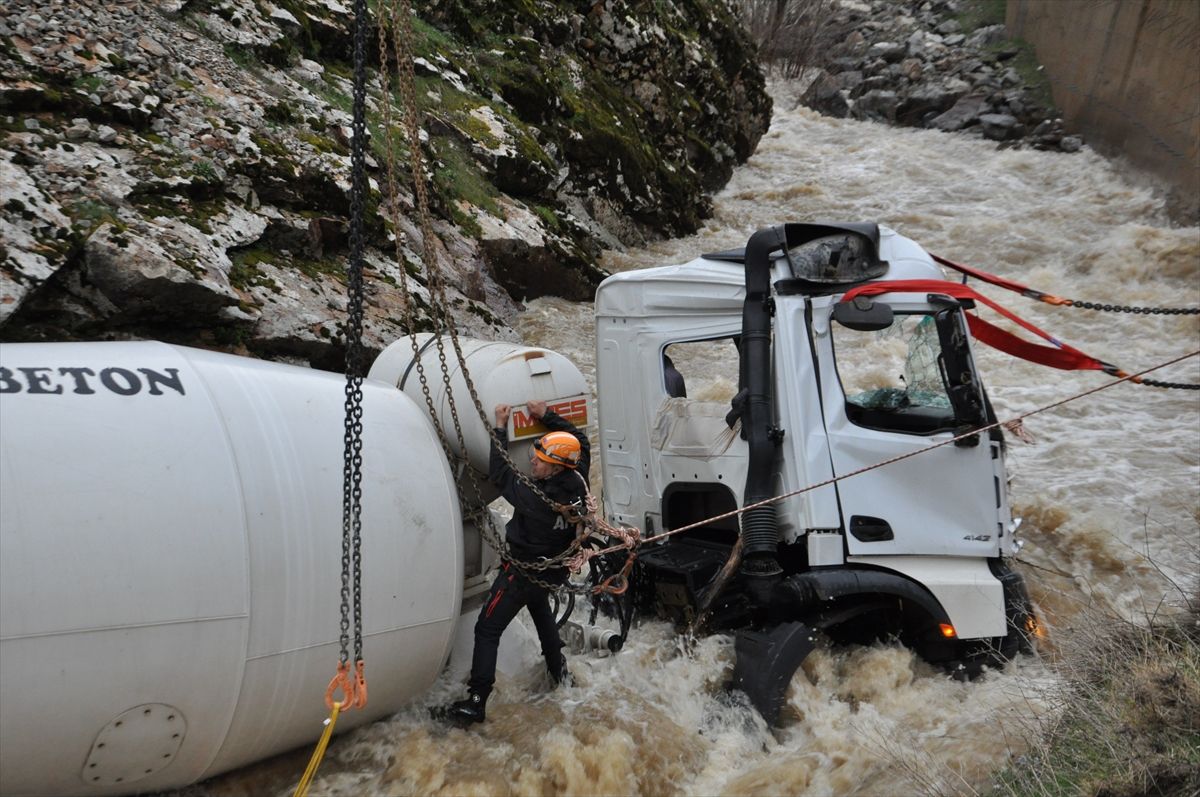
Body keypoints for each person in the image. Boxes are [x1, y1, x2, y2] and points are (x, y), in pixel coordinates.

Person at [439, 398, 591, 725]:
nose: (533, 462)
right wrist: (546, 417)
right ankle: (559, 672)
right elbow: (583, 443)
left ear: (554, 467)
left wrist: (500, 425)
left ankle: (476, 702)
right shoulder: (579, 480)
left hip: (522, 574)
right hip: (553, 572)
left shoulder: (535, 498)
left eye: (539, 460)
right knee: (539, 608)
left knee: (487, 628)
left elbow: (499, 472)